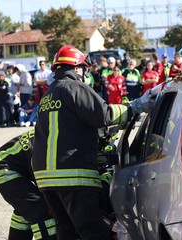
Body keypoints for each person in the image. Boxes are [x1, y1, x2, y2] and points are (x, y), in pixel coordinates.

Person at [32, 45, 154, 240]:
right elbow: (104, 115)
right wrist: (135, 107)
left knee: (66, 230)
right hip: (72, 174)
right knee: (92, 229)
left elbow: (70, 125)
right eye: (84, 69)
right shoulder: (75, 87)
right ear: (77, 68)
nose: (85, 74)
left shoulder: (49, 94)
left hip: (45, 177)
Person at [0, 129, 56, 240]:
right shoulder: (49, 142)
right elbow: (41, 176)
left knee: (25, 209)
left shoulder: (47, 132)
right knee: (40, 209)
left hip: (3, 163)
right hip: (2, 168)